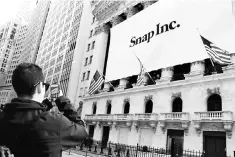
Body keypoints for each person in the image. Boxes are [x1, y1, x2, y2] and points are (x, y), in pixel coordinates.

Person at [0, 63, 87, 157]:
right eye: (45, 86)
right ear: (39, 87)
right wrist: (63, 101)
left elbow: (27, 112)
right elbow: (82, 130)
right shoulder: (54, 122)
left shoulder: (3, 117)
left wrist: (47, 104)